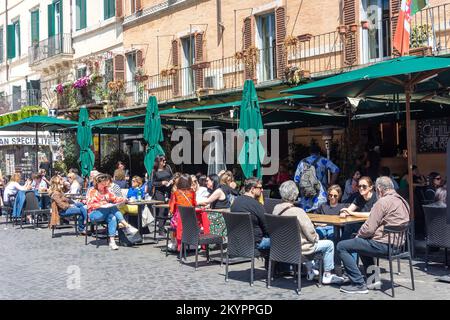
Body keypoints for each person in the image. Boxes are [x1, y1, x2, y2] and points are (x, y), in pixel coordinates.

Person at [337, 176, 410, 294]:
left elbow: (369, 228)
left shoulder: (382, 202)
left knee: (342, 246)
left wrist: (358, 237)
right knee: (361, 244)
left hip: (384, 245)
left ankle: (358, 284)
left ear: (379, 189)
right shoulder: (403, 201)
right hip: (399, 246)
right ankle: (373, 279)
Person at [273, 181, 345, 284]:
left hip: (281, 248)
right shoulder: (298, 211)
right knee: (329, 244)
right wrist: (316, 237)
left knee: (308, 240)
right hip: (299, 249)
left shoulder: (276, 209)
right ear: (295, 194)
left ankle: (311, 270)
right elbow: (311, 233)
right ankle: (327, 275)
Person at [86, 173, 138, 250]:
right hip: (94, 214)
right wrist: (102, 204)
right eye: (103, 184)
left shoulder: (106, 190)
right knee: (111, 207)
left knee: (112, 217)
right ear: (97, 183)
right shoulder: (92, 191)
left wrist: (123, 199)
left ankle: (112, 241)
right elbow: (90, 204)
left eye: (105, 183)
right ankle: (126, 225)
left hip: (105, 213)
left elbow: (114, 198)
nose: (104, 185)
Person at [169, 174, 210, 251]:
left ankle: (176, 244)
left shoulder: (176, 193)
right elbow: (194, 204)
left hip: (178, 221)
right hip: (191, 222)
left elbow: (172, 208)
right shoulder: (192, 193)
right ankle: (195, 243)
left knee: (173, 221)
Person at [294, 144, 340, 212]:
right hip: (320, 195)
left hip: (306, 196)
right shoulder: (323, 160)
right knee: (321, 218)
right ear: (319, 152)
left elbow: (296, 179)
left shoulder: (302, 162)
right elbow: (336, 170)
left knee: (307, 218)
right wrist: (331, 184)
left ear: (309, 152)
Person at [230, 177, 269, 250]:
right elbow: (267, 227)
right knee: (283, 241)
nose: (262, 190)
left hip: (238, 242)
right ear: (252, 189)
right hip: (255, 243)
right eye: (260, 188)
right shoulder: (256, 205)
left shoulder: (235, 202)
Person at [151, 155, 174, 236]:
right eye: (163, 160)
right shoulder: (154, 171)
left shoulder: (168, 167)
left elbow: (172, 176)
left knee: (166, 210)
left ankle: (162, 226)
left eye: (165, 160)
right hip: (159, 192)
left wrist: (171, 181)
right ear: (158, 162)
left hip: (168, 191)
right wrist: (161, 183)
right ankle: (161, 229)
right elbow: (153, 183)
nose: (165, 162)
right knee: (162, 209)